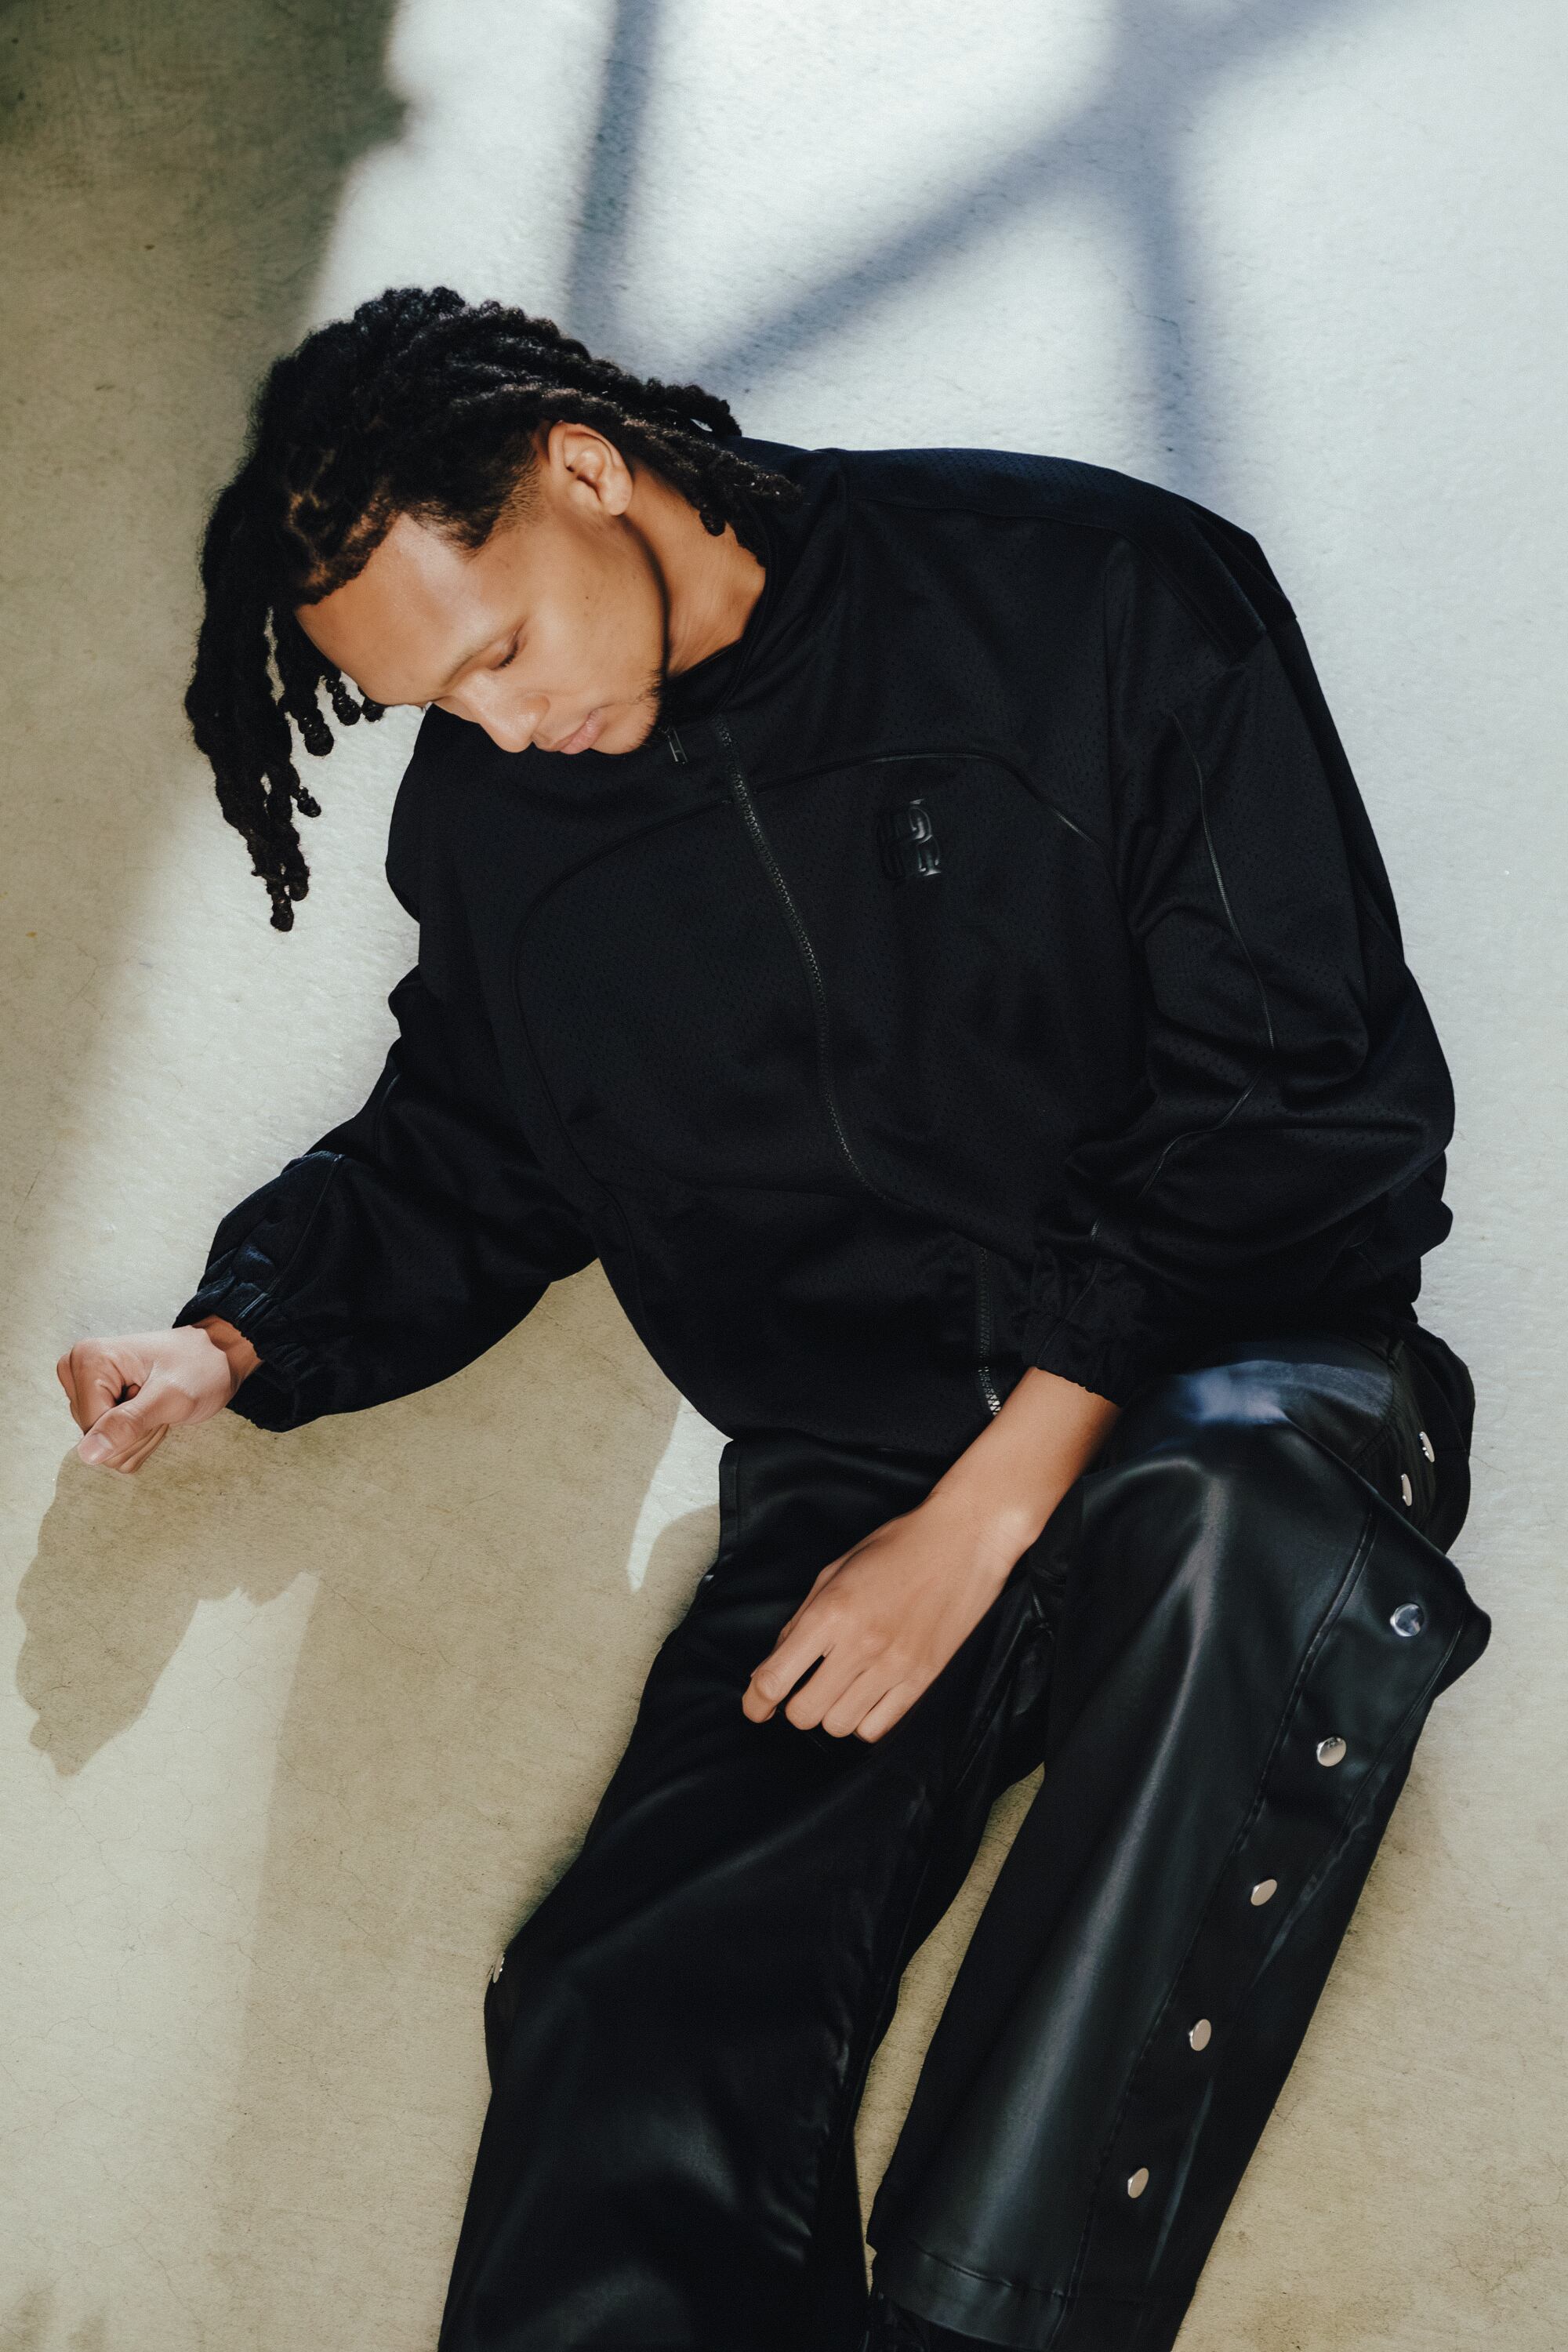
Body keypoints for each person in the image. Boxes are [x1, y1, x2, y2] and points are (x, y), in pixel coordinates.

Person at [58, 287, 1490, 2352]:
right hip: (857, 1459)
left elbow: (1310, 1105)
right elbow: (475, 1135)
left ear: (582, 466)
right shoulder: (500, 822)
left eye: (500, 653)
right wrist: (238, 1336)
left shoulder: (1095, 597)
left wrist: (990, 1514)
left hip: (1236, 1370)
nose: (499, 730)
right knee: (624, 2004)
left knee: (1234, 1536)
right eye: (437, 707)